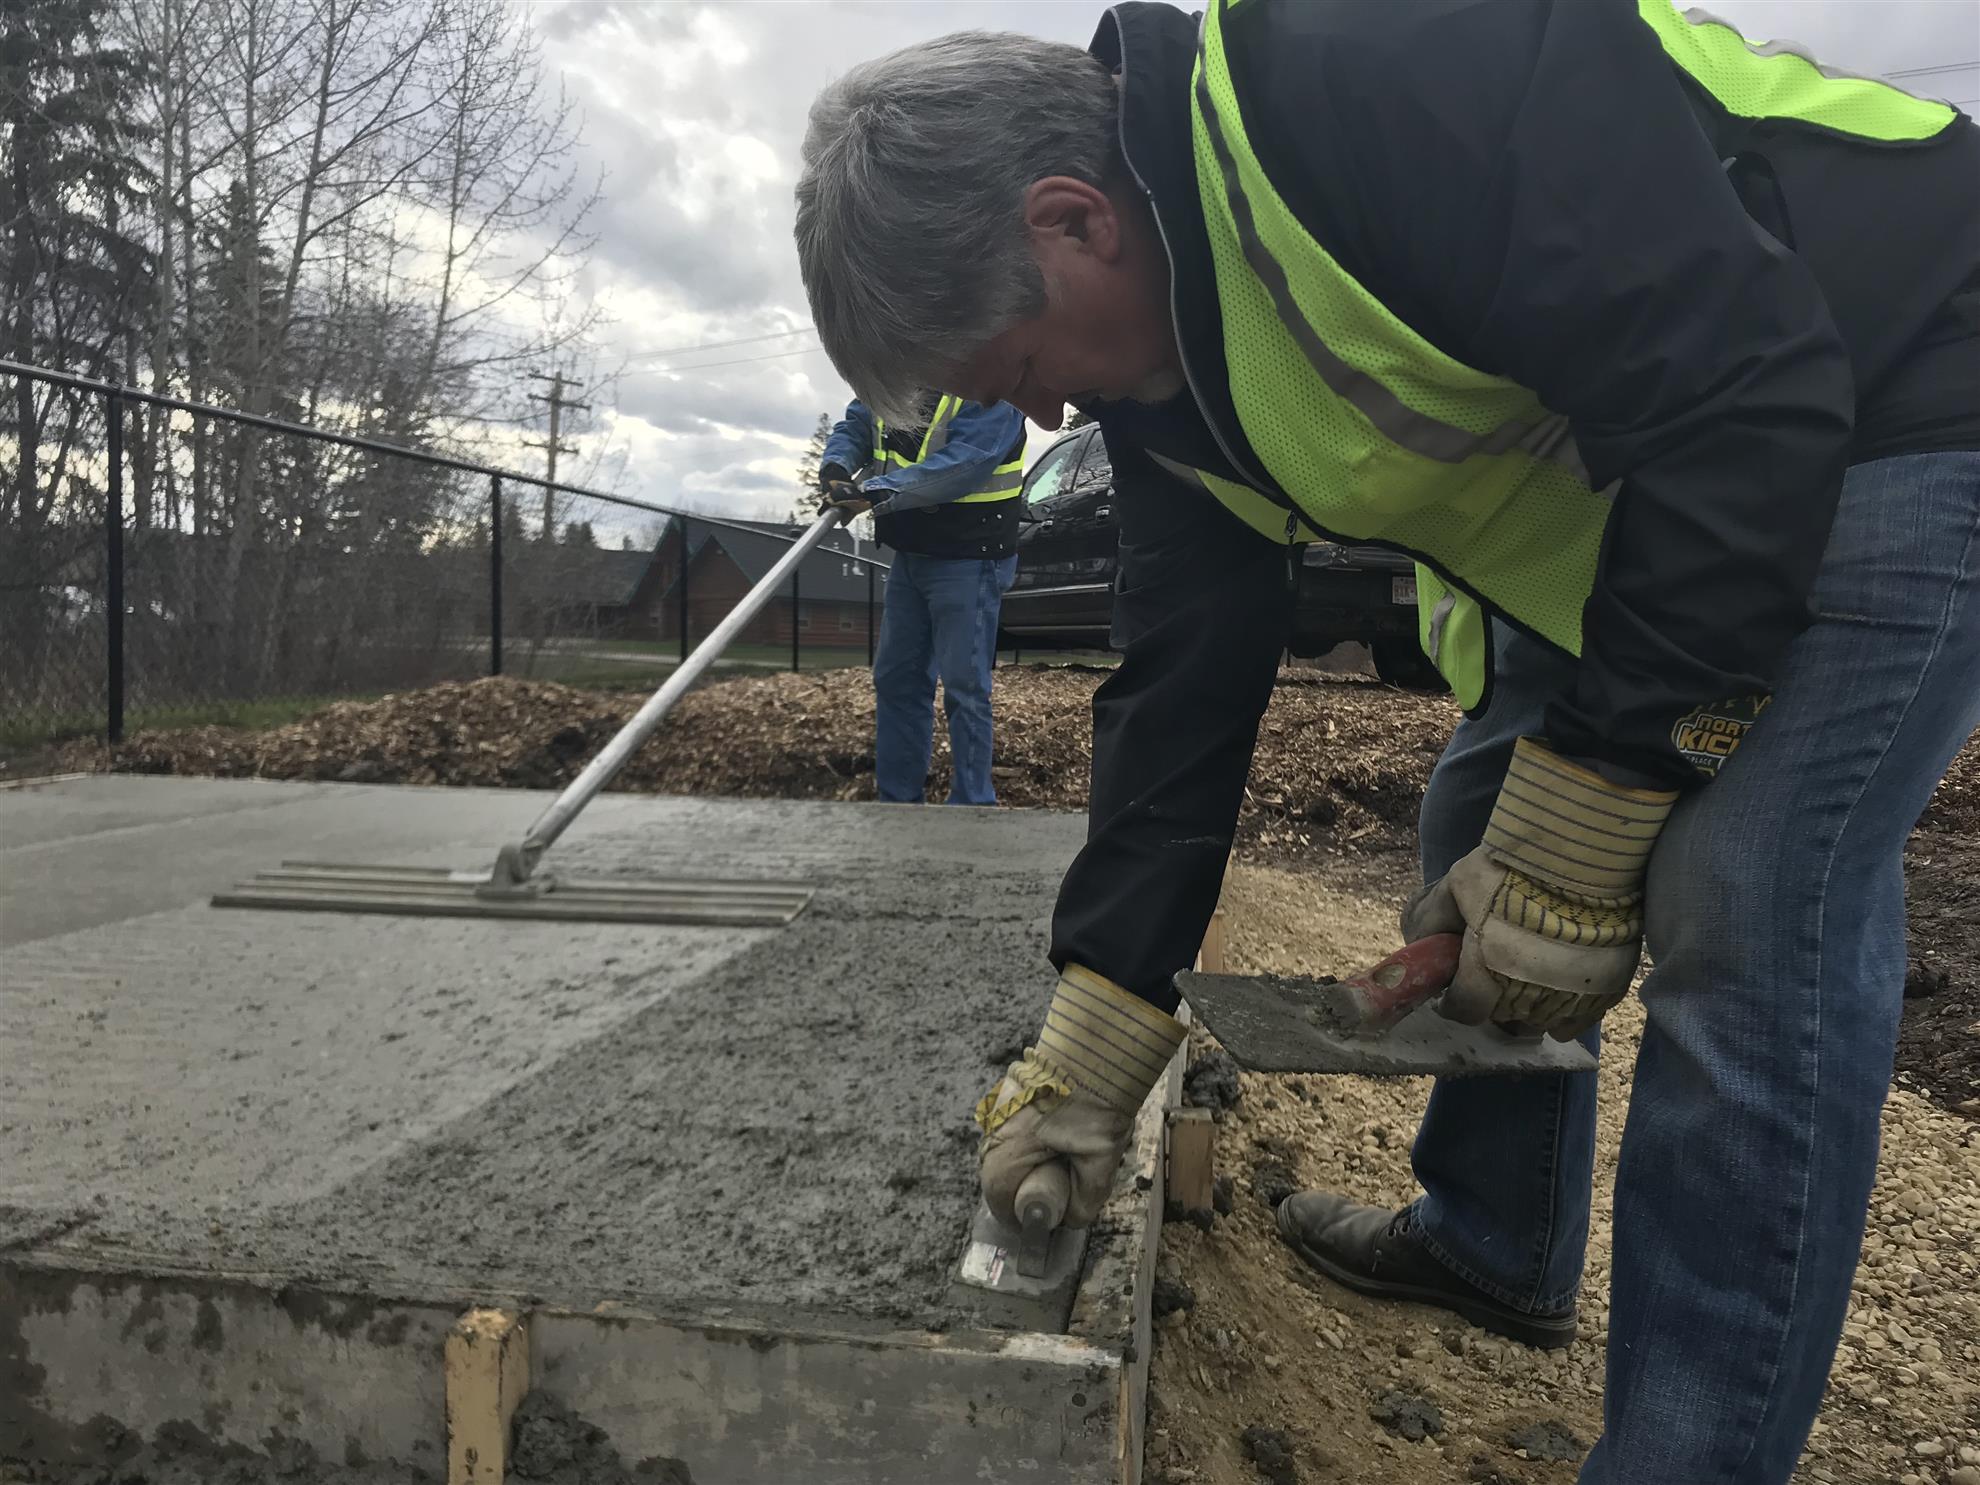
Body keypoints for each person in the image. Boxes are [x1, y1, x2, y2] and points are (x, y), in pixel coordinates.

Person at [794, 3, 1980, 1480]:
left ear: (1073, 218)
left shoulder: (1383, 58)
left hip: (1893, 369)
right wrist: (1094, 1043)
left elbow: (1747, 387)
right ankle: (1495, 1242)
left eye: (1016, 362)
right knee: (1476, 814)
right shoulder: (1167, 382)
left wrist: (1601, 800)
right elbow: (1179, 702)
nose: (1040, 412)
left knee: (1745, 894)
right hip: (1646, 472)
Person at [819, 395, 1027, 806]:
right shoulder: (895, 376)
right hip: (911, 553)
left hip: (970, 554)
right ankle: (898, 803)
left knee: (965, 687)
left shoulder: (991, 384)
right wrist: (837, 466)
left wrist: (877, 491)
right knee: (897, 679)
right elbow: (859, 423)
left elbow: (967, 462)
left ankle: (973, 807)